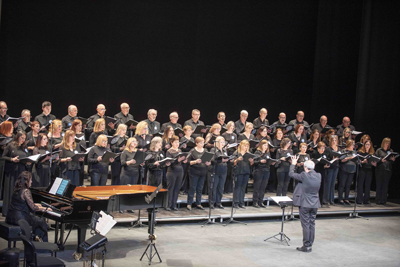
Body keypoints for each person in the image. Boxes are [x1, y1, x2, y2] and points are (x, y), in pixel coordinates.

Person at [289, 156, 321, 253]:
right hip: (315, 203)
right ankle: (310, 244)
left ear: (305, 168)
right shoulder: (319, 175)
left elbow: (291, 174)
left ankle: (306, 245)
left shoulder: (304, 175)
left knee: (306, 225)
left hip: (305, 203)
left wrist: (293, 164)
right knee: (312, 224)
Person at [6, 172, 50, 242]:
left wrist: (39, 205)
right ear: (26, 181)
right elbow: (33, 208)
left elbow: (23, 203)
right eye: (31, 180)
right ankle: (44, 245)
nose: (31, 181)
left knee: (37, 220)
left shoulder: (17, 189)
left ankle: (36, 240)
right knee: (41, 221)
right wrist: (46, 208)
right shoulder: (26, 191)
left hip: (10, 217)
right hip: (20, 218)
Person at [2, 131, 32, 216]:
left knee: (20, 191)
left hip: (21, 170)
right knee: (12, 190)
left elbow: (26, 156)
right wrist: (12, 159)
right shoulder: (11, 145)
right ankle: (8, 211)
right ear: (18, 137)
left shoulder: (24, 147)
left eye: (24, 138)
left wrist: (28, 162)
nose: (23, 140)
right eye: (22, 138)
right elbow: (4, 156)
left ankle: (19, 211)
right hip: (12, 171)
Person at [187, 137, 210, 210]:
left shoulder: (205, 150)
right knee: (192, 188)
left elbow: (209, 161)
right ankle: (189, 203)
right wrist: (195, 162)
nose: (202, 144)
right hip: (194, 171)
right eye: (200, 143)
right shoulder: (192, 151)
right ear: (196, 143)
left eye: (203, 143)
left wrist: (208, 163)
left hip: (203, 171)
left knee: (200, 188)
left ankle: (198, 203)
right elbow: (187, 161)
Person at [166, 135, 186, 211]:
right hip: (172, 171)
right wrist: (177, 160)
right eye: (175, 142)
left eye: (178, 142)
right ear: (172, 143)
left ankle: (174, 204)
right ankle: (168, 204)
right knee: (171, 188)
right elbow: (169, 163)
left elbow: (181, 162)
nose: (177, 144)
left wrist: (184, 161)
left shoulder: (179, 151)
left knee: (177, 188)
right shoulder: (169, 151)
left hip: (180, 170)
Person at [252, 140, 275, 208]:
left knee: (263, 187)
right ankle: (255, 201)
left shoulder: (268, 153)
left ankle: (260, 201)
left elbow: (269, 160)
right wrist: (260, 161)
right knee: (257, 187)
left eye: (267, 145)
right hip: (259, 170)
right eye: (264, 145)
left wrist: (271, 162)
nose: (266, 146)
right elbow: (254, 162)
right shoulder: (257, 152)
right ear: (261, 145)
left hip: (266, 170)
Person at [374, 138, 396, 205]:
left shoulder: (390, 151)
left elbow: (391, 162)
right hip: (380, 170)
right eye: (386, 143)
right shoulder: (379, 150)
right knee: (379, 185)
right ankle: (378, 200)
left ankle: (383, 200)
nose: (387, 144)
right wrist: (381, 160)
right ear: (383, 143)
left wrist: (393, 160)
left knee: (385, 185)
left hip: (388, 170)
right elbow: (375, 160)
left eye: (389, 143)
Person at [232, 140, 253, 208]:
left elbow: (251, 164)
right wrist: (237, 160)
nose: (246, 147)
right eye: (244, 146)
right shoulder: (237, 153)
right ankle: (235, 202)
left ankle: (241, 202)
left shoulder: (249, 154)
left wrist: (251, 161)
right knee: (237, 187)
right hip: (239, 171)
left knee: (243, 188)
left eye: (247, 146)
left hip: (246, 171)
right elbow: (232, 162)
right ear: (241, 146)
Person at [209, 136, 229, 209]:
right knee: (214, 187)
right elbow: (212, 160)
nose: (223, 143)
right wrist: (221, 160)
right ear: (217, 143)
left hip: (223, 170)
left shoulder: (224, 150)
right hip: (215, 170)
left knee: (221, 188)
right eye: (221, 142)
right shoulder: (213, 150)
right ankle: (212, 202)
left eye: (223, 142)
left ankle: (218, 202)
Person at [338, 140, 357, 205]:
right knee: (342, 184)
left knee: (348, 185)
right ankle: (340, 199)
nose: (353, 146)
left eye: (353, 145)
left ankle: (346, 198)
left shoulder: (354, 152)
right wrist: (348, 158)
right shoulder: (344, 151)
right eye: (352, 144)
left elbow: (356, 160)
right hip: (344, 169)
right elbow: (341, 160)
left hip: (352, 170)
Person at [357, 140, 376, 205]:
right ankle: (359, 200)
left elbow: (374, 163)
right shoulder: (361, 152)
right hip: (362, 169)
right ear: (364, 145)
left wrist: (374, 164)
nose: (367, 146)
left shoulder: (372, 153)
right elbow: (358, 162)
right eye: (366, 144)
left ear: (371, 146)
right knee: (360, 184)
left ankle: (366, 200)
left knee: (368, 185)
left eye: (369, 145)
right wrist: (363, 162)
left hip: (369, 169)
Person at [324, 135, 340, 206]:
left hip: (336, 166)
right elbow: (326, 158)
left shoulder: (338, 148)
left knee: (333, 184)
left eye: (335, 140)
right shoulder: (328, 148)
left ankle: (331, 199)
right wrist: (332, 158)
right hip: (330, 167)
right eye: (333, 140)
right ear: (330, 141)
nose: (334, 142)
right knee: (328, 183)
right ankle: (326, 199)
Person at [222, 121, 237, 194]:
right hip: (226, 152)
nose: (232, 127)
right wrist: (226, 145)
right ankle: (224, 188)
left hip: (232, 152)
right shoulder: (224, 134)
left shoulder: (234, 134)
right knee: (226, 171)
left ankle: (229, 189)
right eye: (231, 125)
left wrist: (235, 146)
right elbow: (222, 143)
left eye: (233, 125)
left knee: (231, 171)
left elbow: (236, 143)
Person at [70, 119, 86, 185]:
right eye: (79, 125)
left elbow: (84, 145)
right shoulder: (71, 134)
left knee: (80, 174)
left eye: (81, 125)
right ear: (75, 126)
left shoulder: (83, 134)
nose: (80, 127)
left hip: (81, 156)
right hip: (74, 155)